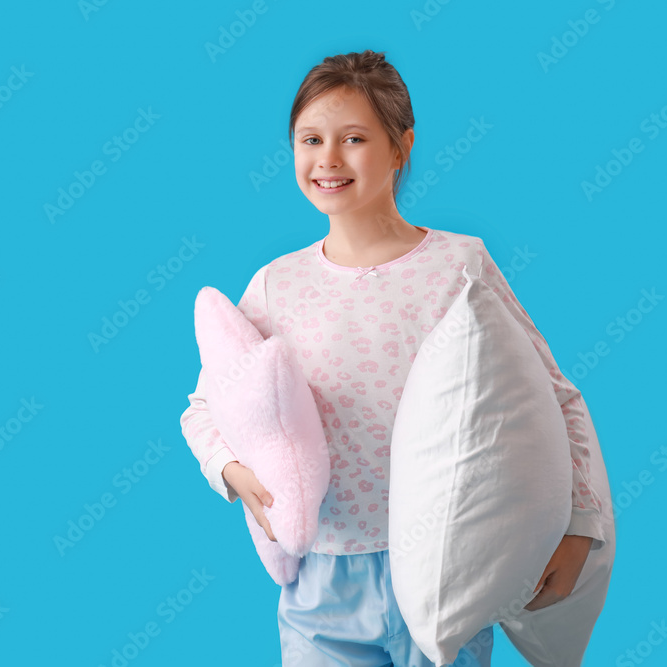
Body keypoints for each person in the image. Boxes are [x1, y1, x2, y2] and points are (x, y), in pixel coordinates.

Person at [180, 49, 607, 667]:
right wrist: (234, 475)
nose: (328, 158)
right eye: (310, 139)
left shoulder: (459, 265)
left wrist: (578, 523)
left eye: (353, 138)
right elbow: (205, 407)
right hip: (320, 582)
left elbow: (551, 393)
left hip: (445, 567)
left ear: (401, 145)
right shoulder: (276, 285)